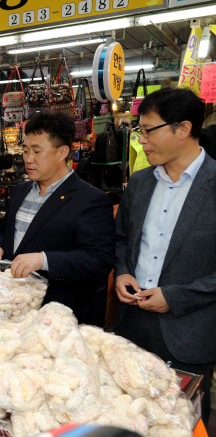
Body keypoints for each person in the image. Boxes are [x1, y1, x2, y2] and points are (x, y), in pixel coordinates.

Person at [113, 88, 216, 422]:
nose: (141, 140)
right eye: (139, 131)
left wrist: (174, 296)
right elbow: (121, 238)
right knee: (127, 417)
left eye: (148, 130)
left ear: (182, 129)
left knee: (179, 423)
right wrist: (124, 271)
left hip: (188, 333)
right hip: (130, 325)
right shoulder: (141, 182)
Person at [0, 111, 115, 326]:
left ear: (62, 152)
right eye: (25, 150)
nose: (28, 158)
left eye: (37, 151)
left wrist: (43, 260)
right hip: (13, 307)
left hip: (58, 314)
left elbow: (99, 259)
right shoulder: (21, 191)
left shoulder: (90, 200)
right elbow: (5, 232)